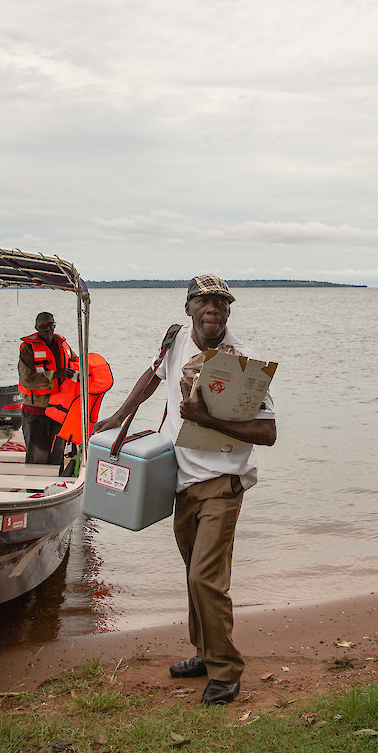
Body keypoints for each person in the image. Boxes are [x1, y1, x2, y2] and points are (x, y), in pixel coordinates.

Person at [94, 275, 276, 705]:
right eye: (204, 301)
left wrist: (208, 419)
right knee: (193, 574)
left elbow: (267, 433)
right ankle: (204, 653)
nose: (213, 308)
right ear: (189, 308)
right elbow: (153, 375)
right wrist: (121, 414)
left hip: (223, 484)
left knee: (205, 578)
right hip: (182, 480)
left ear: (229, 312)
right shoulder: (175, 340)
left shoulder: (244, 362)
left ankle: (226, 671)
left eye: (221, 303)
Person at [18, 312, 76, 466]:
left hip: (59, 409)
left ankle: (56, 488)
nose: (48, 329)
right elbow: (27, 380)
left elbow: (75, 365)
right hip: (37, 410)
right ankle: (33, 489)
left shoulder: (63, 344)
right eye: (43, 326)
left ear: (54, 324)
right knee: (38, 454)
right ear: (36, 328)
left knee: (57, 453)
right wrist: (55, 374)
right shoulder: (28, 348)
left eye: (50, 325)